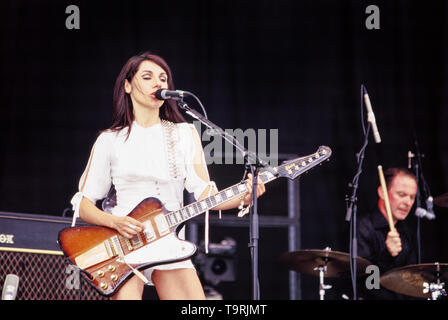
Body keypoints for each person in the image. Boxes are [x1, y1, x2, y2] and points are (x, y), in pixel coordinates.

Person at [69, 51, 266, 300]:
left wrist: (244, 197)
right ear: (128, 86)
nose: (158, 83)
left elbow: (205, 193)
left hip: (169, 242)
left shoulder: (184, 133)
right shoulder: (110, 140)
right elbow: (84, 205)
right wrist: (114, 222)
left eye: (163, 78)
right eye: (148, 77)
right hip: (123, 244)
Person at [357, 167, 419, 299]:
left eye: (412, 197)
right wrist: (387, 255)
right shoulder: (363, 227)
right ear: (382, 192)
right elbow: (365, 283)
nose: (408, 202)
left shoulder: (406, 231)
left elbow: (412, 280)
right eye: (401, 195)